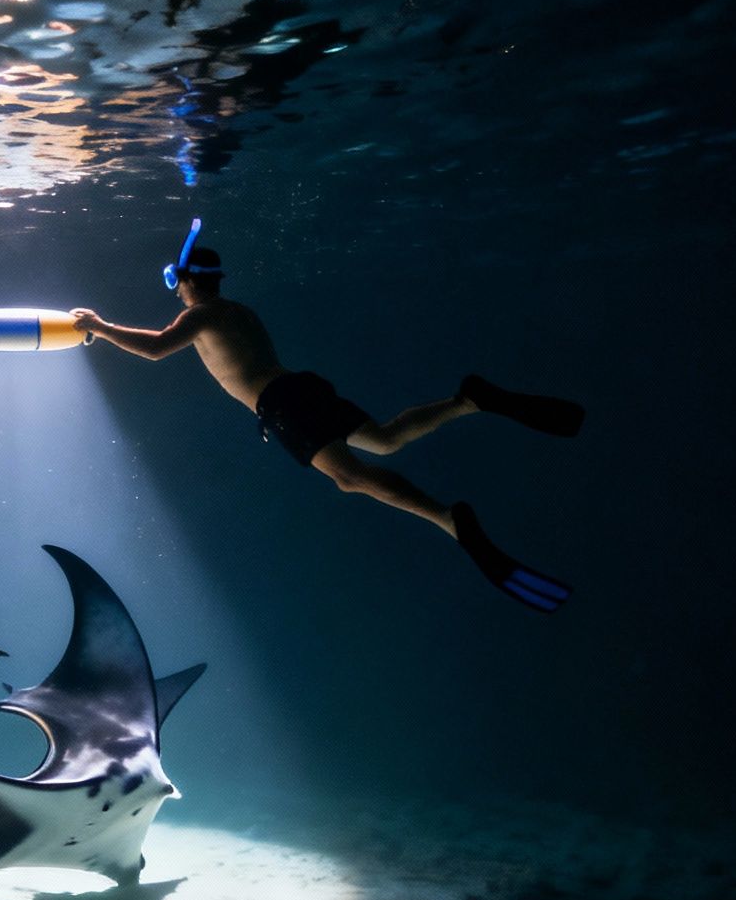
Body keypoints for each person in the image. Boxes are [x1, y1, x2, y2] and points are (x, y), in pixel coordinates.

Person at [71, 219, 584, 612]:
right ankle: (466, 402)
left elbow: (156, 348)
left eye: (174, 281)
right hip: (301, 387)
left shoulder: (200, 314)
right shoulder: (238, 310)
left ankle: (449, 520)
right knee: (384, 439)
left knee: (349, 477)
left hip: (282, 404)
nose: (176, 290)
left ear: (184, 279)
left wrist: (100, 325)